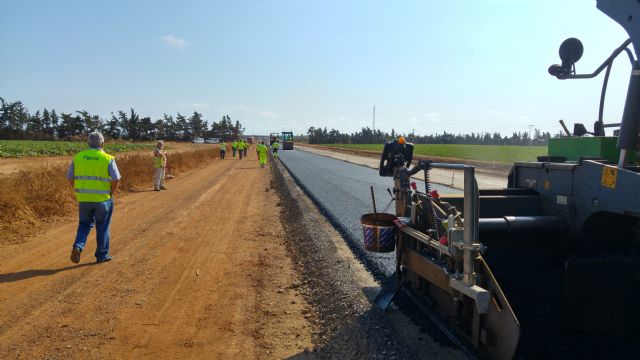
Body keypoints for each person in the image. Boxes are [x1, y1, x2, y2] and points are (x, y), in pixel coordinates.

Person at [66, 132, 120, 264]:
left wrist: (78, 190)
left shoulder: (78, 157)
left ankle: (78, 246)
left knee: (84, 224)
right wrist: (110, 192)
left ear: (88, 143)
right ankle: (102, 255)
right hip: (102, 199)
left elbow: (69, 177)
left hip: (84, 199)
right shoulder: (107, 158)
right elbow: (116, 178)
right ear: (103, 143)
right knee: (103, 226)